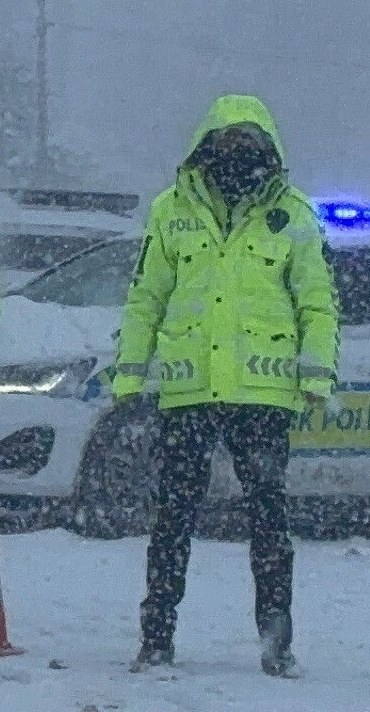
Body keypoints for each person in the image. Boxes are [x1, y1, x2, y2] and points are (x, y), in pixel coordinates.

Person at [106, 94, 338, 677]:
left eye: (248, 142)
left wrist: (317, 374)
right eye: (225, 142)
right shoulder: (170, 212)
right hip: (189, 391)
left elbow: (318, 303)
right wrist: (129, 372)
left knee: (268, 519)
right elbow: (146, 298)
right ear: (205, 146)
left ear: (268, 148)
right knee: (173, 516)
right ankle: (156, 638)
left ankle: (276, 641)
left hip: (263, 394)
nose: (236, 153)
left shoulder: (294, 216)